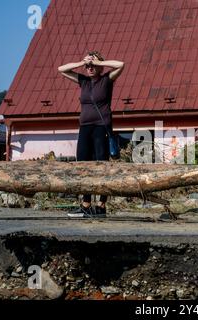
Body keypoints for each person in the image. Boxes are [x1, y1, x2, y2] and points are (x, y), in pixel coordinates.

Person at [58, 51, 124, 217]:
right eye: (88, 66)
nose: (90, 68)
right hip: (85, 127)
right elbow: (61, 69)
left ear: (100, 67)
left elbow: (121, 64)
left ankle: (101, 205)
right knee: (83, 163)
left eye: (93, 65)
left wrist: (98, 62)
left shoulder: (106, 80)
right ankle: (86, 204)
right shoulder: (84, 81)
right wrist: (82, 62)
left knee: (101, 164)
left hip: (101, 127)